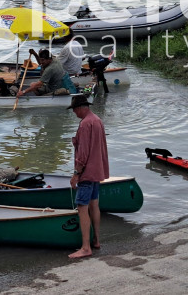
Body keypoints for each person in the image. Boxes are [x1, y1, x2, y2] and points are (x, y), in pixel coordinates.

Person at [67, 94, 108, 259]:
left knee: (82, 208)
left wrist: (76, 174)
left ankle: (85, 247)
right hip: (97, 171)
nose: (74, 113)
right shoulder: (97, 120)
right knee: (94, 205)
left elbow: (82, 155)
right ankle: (96, 240)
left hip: (86, 173)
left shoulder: (84, 124)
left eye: (74, 110)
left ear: (79, 108)